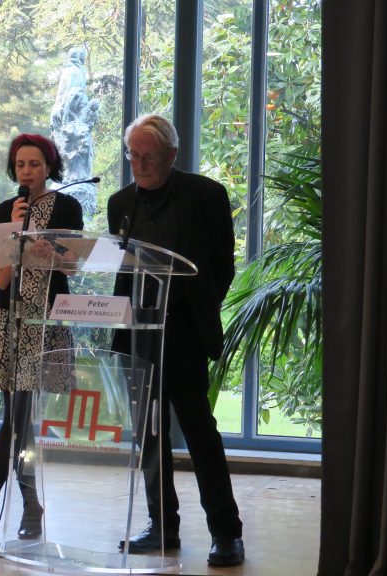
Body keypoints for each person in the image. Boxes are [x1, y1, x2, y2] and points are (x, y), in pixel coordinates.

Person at [107, 114, 244, 566]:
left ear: (172, 154)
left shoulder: (206, 195)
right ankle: (161, 525)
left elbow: (222, 267)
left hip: (183, 332)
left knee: (200, 433)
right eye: (133, 155)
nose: (139, 164)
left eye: (148, 156)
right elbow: (122, 269)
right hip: (137, 333)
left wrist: (196, 308)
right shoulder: (119, 203)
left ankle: (226, 532)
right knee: (148, 435)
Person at [0, 133, 83, 539]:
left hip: (45, 324)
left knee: (19, 419)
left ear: (49, 167)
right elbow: (1, 278)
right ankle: (28, 506)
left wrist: (39, 244)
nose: (27, 171)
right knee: (16, 419)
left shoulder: (67, 207)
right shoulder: (5, 210)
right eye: (20, 165)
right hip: (9, 322)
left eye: (34, 164)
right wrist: (16, 231)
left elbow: (70, 267)